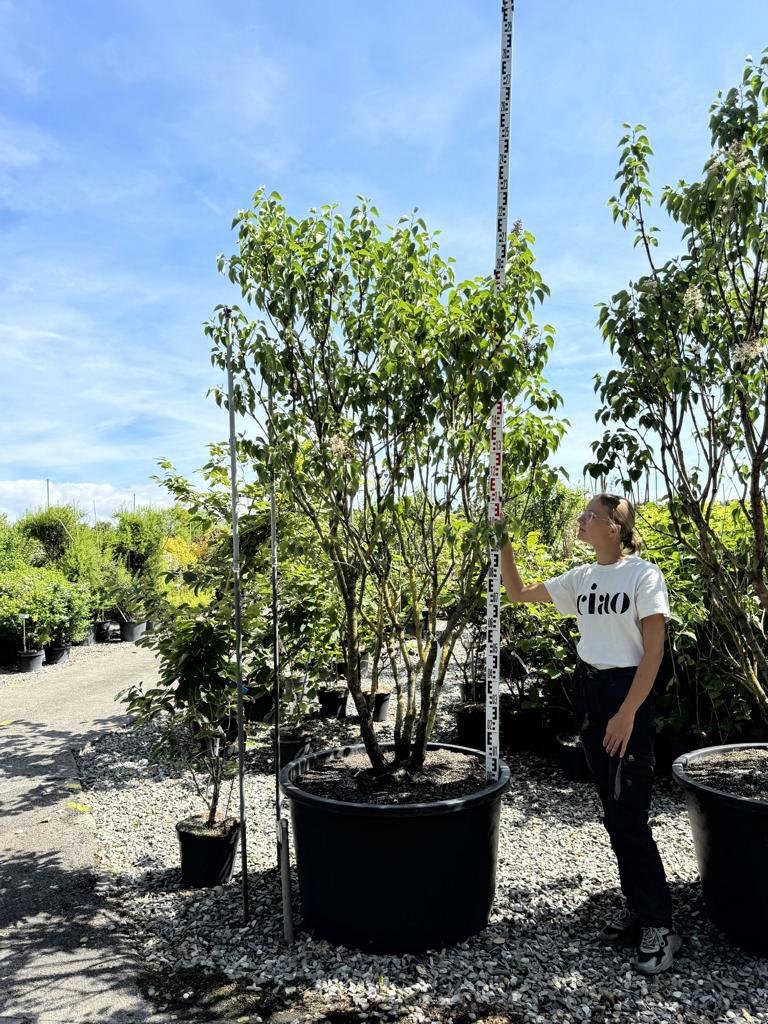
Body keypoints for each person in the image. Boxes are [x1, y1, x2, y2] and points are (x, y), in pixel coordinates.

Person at [498, 492, 682, 975]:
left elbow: (654, 652)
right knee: (611, 810)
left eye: (591, 516)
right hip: (590, 691)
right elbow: (518, 593)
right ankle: (640, 909)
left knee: (630, 813)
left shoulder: (643, 574)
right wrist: (505, 548)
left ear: (616, 526)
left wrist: (626, 713)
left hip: (628, 694)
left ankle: (661, 925)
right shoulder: (582, 578)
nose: (581, 521)